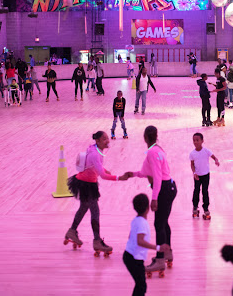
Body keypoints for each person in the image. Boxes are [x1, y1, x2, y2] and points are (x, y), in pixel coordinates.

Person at [65, 131, 128, 255]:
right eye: (104, 139)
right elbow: (103, 176)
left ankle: (72, 231)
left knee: (84, 208)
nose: (107, 140)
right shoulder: (95, 154)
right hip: (86, 184)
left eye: (107, 138)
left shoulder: (95, 150)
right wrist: (118, 177)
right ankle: (97, 240)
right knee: (95, 211)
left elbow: (94, 166)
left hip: (86, 182)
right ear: (98, 141)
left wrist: (104, 169)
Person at [126, 126, 178, 275]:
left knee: (159, 224)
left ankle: (160, 260)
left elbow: (157, 177)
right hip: (170, 187)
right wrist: (133, 174)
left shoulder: (152, 153)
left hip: (164, 189)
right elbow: (146, 172)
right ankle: (167, 252)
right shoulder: (158, 149)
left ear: (145, 137)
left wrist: (154, 198)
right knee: (163, 222)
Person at [123, 193, 170, 296]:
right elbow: (140, 241)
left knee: (140, 284)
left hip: (129, 256)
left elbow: (130, 237)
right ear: (148, 208)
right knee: (141, 285)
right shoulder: (142, 223)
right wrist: (158, 248)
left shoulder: (136, 220)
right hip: (134, 259)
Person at [190, 133, 220, 220]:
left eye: (197, 140)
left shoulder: (206, 151)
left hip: (206, 175)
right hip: (197, 176)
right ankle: (195, 207)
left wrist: (216, 161)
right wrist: (194, 173)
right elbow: (192, 164)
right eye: (194, 140)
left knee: (205, 191)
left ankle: (206, 208)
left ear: (202, 141)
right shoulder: (192, 153)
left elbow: (214, 157)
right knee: (196, 191)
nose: (195, 142)